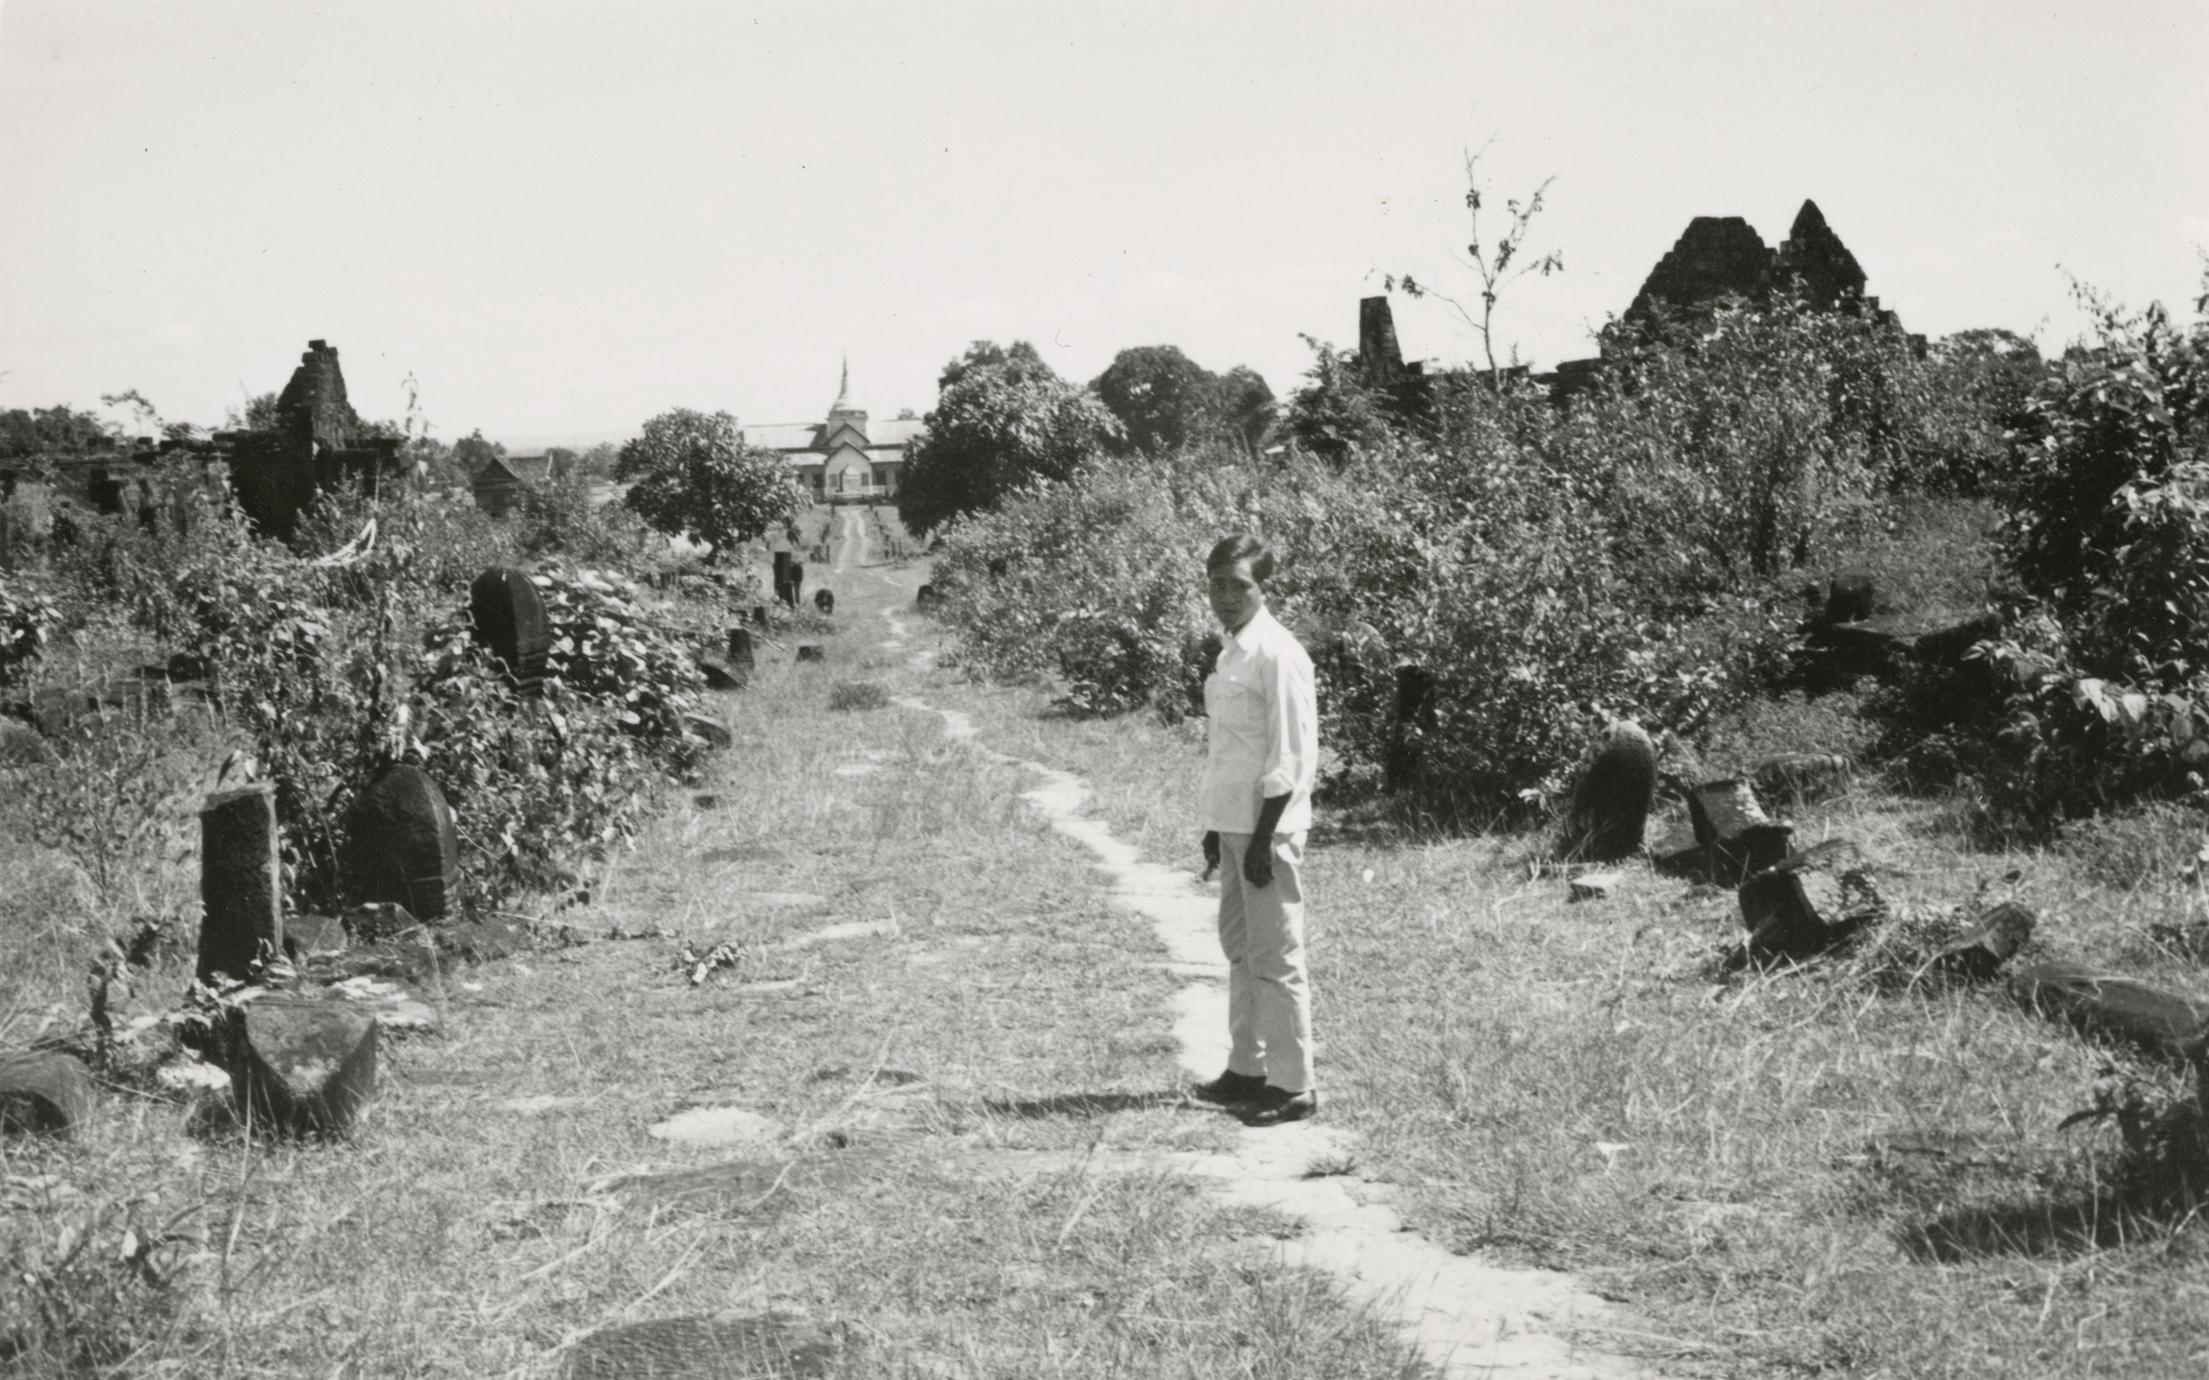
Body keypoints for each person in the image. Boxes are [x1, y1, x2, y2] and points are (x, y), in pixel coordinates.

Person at [1193, 534, 1320, 1127]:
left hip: (1269, 830)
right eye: (1217, 585)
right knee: (1241, 952)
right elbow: (1230, 754)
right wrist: (1216, 829)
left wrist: (1266, 839)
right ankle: (1247, 1068)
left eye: (1239, 586)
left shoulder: (1278, 653)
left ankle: (1294, 1086)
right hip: (1236, 825)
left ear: (1264, 587)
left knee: (1276, 957)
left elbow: (1290, 757)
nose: (1226, 597)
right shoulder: (1232, 652)